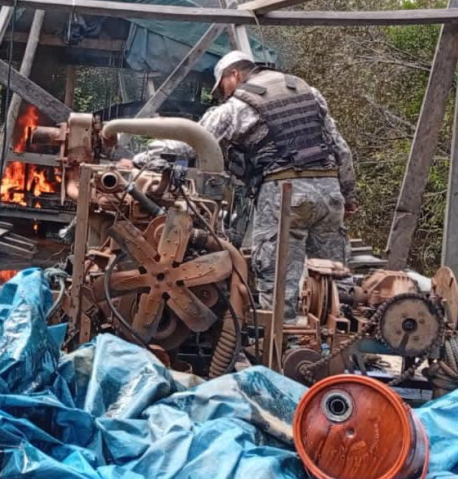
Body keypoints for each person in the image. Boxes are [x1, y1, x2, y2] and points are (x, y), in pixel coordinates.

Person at [132, 50, 356, 320]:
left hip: (284, 194)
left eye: (222, 87)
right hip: (329, 190)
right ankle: (346, 342)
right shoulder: (308, 91)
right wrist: (347, 193)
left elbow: (192, 142)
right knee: (336, 279)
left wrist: (141, 159)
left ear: (234, 74)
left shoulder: (238, 106)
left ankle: (282, 348)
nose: (223, 94)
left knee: (277, 281)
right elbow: (341, 148)